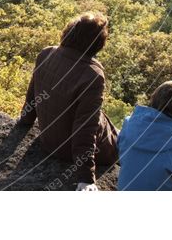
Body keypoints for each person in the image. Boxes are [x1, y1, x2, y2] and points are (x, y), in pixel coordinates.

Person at [17, 11, 119, 191]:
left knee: (101, 116)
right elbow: (85, 127)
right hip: (71, 152)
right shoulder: (92, 75)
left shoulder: (46, 53)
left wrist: (24, 122)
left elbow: (33, 95)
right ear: (98, 44)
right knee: (120, 140)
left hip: (48, 141)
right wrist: (86, 178)